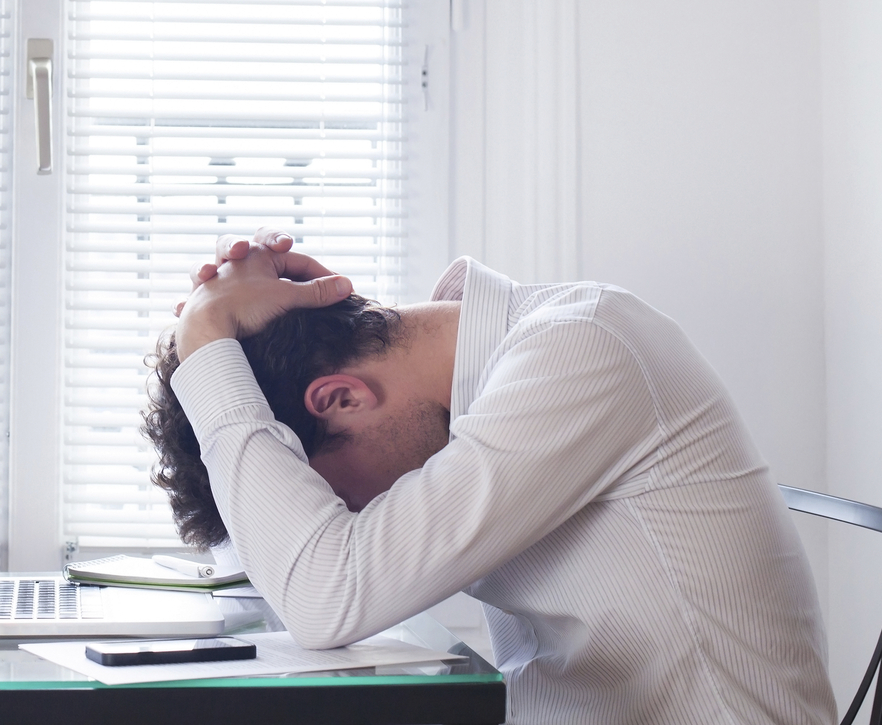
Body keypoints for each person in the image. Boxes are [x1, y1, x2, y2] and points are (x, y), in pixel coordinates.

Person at [144, 229, 835, 725]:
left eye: (335, 498)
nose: (352, 515)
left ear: (342, 398)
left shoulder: (580, 348)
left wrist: (209, 344)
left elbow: (326, 594)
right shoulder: (496, 363)